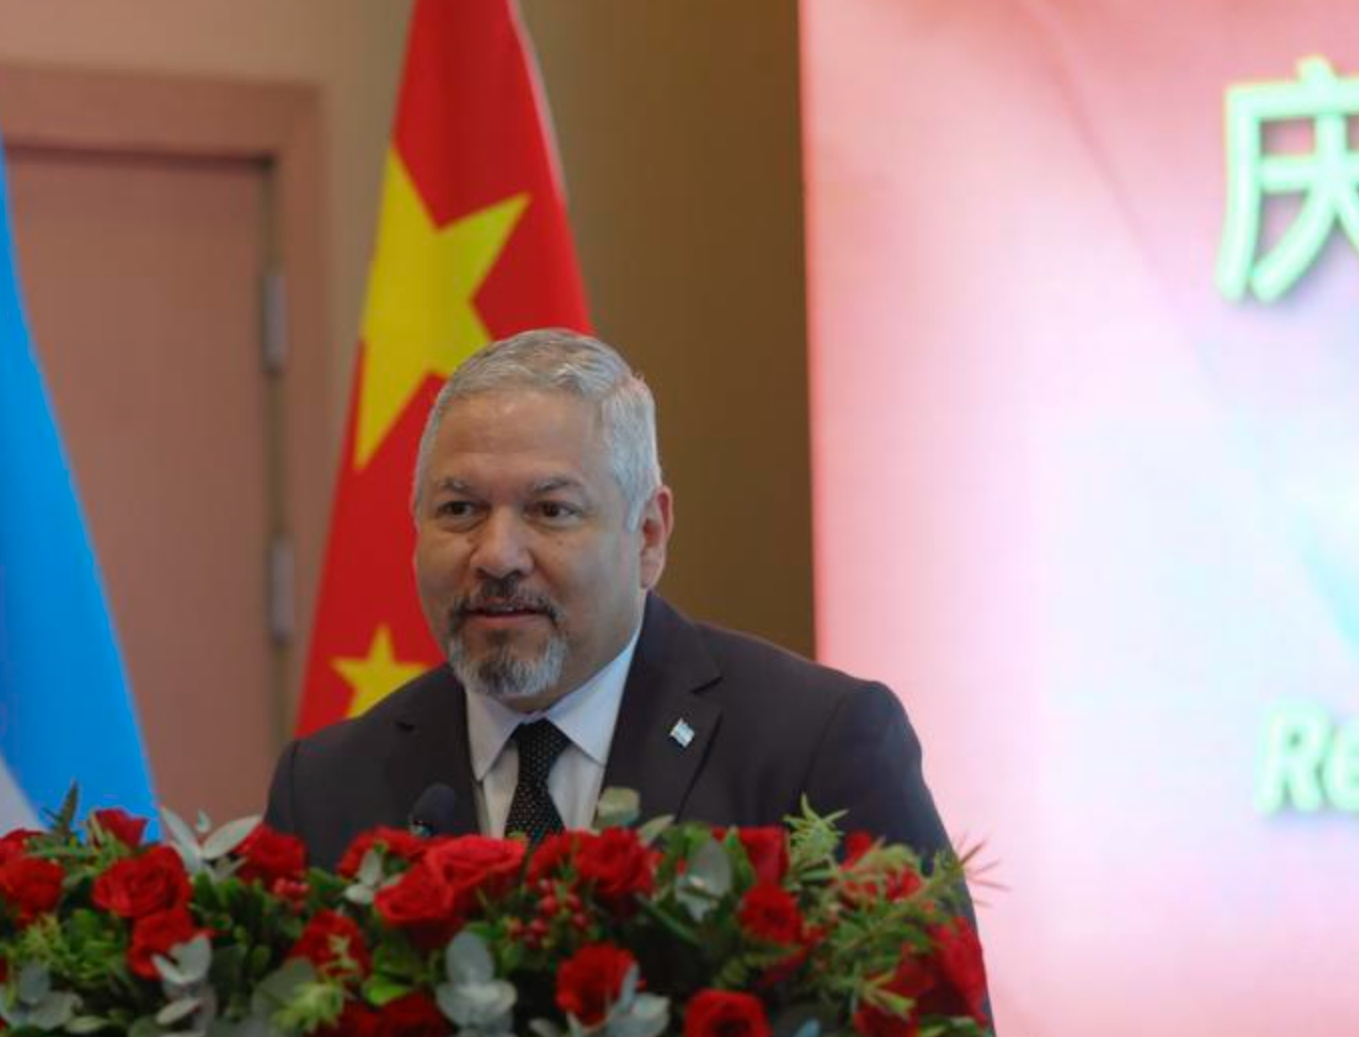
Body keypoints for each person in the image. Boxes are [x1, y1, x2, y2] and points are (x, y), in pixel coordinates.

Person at [265, 328, 960, 877]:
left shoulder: (814, 746)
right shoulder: (327, 789)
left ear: (648, 536)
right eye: (460, 509)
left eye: (550, 510)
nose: (497, 554)